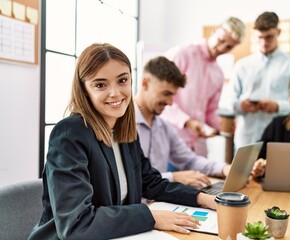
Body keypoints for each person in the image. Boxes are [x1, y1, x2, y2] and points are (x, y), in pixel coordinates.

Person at [28, 43, 217, 239]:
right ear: (84, 90)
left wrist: (203, 199)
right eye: (100, 84)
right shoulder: (69, 134)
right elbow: (77, 224)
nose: (116, 93)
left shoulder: (123, 129)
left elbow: (150, 182)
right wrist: (150, 217)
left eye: (122, 80)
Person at [135, 56, 231, 189]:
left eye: (172, 95)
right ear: (145, 83)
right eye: (166, 93)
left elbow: (190, 160)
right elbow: (126, 179)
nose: (170, 102)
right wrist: (173, 177)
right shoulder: (121, 125)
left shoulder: (164, 127)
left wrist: (225, 168)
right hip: (133, 207)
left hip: (160, 201)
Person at [161, 16, 246, 157]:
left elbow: (210, 111)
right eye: (221, 40)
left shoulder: (218, 74)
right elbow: (160, 96)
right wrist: (187, 122)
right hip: (171, 141)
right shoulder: (182, 54)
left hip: (198, 148)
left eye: (229, 46)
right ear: (214, 31)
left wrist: (221, 125)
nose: (222, 48)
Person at [231, 11, 290, 148]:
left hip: (280, 142)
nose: (264, 42)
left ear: (278, 32)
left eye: (269, 37)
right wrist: (241, 106)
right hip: (246, 141)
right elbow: (228, 102)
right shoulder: (242, 65)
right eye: (260, 37)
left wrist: (278, 106)